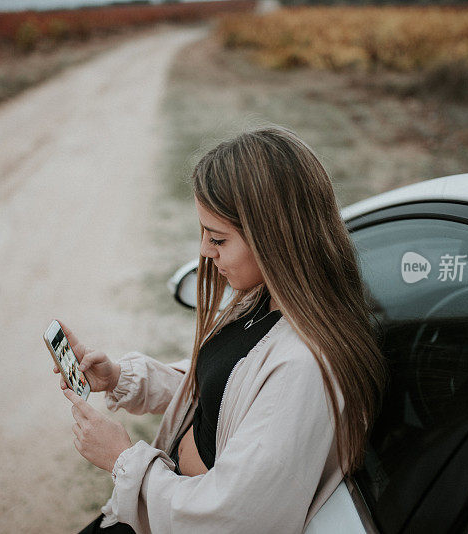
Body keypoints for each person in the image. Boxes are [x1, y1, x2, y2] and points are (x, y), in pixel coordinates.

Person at [53, 125, 386, 533]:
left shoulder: (303, 369)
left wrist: (122, 459)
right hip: (163, 507)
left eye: (218, 238)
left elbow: (235, 518)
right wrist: (121, 378)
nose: (205, 251)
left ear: (274, 238)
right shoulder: (265, 299)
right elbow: (225, 395)